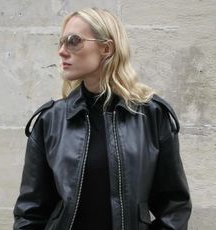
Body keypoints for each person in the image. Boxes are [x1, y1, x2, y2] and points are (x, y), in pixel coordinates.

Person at [13, 7, 192, 230]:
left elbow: (174, 207)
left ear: (106, 48)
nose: (62, 51)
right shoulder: (50, 121)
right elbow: (30, 211)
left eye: (73, 40)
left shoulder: (152, 116)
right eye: (61, 42)